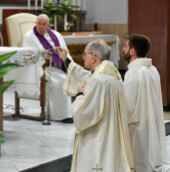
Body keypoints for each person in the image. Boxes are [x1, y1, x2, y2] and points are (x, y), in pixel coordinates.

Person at [56, 40, 134, 172]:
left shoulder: (97, 81)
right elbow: (84, 76)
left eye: (84, 54)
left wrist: (80, 95)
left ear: (92, 57)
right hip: (111, 137)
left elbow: (83, 115)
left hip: (97, 139)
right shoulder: (115, 77)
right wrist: (65, 59)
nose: (82, 57)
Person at [123, 34, 170, 172]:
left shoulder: (133, 72)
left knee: (139, 163)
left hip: (138, 128)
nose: (123, 49)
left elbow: (128, 106)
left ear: (132, 51)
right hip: (151, 122)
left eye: (126, 46)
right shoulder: (152, 69)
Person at [22, 14, 72, 121]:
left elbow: (65, 52)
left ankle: (73, 112)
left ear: (48, 25)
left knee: (73, 77)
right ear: (35, 23)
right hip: (42, 68)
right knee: (62, 80)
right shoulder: (29, 36)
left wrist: (65, 59)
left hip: (59, 67)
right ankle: (62, 115)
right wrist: (42, 57)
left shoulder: (56, 35)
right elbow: (26, 57)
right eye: (38, 23)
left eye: (43, 24)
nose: (40, 26)